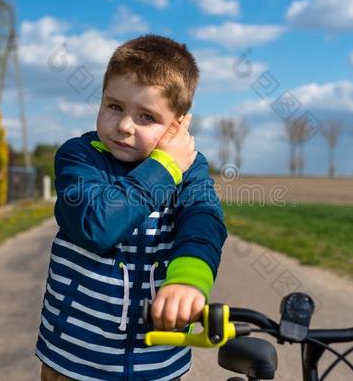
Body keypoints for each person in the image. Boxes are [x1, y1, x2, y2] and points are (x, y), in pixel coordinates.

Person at [35, 34, 228, 381]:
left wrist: (189, 280)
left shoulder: (191, 169)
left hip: (157, 362)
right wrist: (165, 167)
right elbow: (98, 225)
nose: (124, 126)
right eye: (114, 107)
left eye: (146, 116)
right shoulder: (80, 158)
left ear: (179, 126)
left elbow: (204, 220)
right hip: (72, 360)